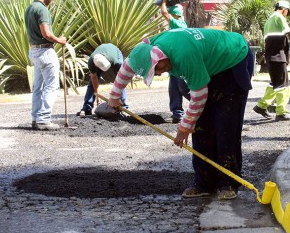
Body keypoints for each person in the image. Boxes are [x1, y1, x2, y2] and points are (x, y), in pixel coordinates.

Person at [108, 28, 254, 200]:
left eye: (158, 68)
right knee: (201, 127)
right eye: (154, 72)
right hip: (208, 64)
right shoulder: (145, 49)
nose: (160, 73)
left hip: (233, 59)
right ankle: (204, 183)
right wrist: (115, 95)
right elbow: (127, 66)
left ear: (160, 57)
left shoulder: (184, 55)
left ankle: (229, 182)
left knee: (225, 125)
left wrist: (184, 126)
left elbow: (199, 95)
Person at [24, 0, 67, 131]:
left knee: (38, 87)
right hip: (45, 52)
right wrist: (60, 40)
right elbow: (46, 34)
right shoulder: (42, 9)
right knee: (51, 85)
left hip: (34, 51)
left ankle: (36, 118)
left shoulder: (29, 8)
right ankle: (43, 118)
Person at [252, 0, 290, 121]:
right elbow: (288, 33)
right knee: (283, 84)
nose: (286, 15)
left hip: (272, 56)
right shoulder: (279, 16)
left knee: (275, 83)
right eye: (286, 12)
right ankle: (281, 112)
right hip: (277, 57)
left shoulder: (269, 20)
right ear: (284, 9)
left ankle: (261, 106)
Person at [77, 43, 127, 116]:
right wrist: (98, 96)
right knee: (91, 83)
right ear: (95, 65)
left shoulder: (117, 62)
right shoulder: (91, 61)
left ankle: (123, 107)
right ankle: (87, 108)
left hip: (115, 54)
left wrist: (116, 97)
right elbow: (94, 79)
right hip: (102, 56)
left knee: (120, 80)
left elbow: (122, 80)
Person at [161, 0, 190, 123]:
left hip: (180, 61)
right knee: (173, 88)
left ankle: (204, 103)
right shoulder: (178, 24)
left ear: (175, 15)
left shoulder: (179, 24)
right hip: (174, 61)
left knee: (183, 87)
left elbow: (164, 13)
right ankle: (177, 112)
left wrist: (163, 1)